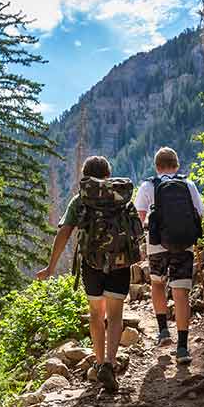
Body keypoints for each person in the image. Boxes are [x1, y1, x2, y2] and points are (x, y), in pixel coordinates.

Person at [37, 156, 142, 392]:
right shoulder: (122, 196)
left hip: (91, 265)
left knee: (96, 313)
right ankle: (109, 363)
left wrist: (51, 267)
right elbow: (136, 230)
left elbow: (64, 233)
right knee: (115, 315)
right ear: (108, 174)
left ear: (85, 176)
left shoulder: (80, 200)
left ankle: (98, 358)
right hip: (120, 263)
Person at [134, 147, 204, 364]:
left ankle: (163, 330)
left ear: (157, 167)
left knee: (157, 283)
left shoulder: (148, 185)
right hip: (184, 243)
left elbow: (140, 217)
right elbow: (200, 212)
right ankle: (183, 348)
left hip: (156, 244)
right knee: (181, 292)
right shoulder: (188, 184)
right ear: (177, 165)